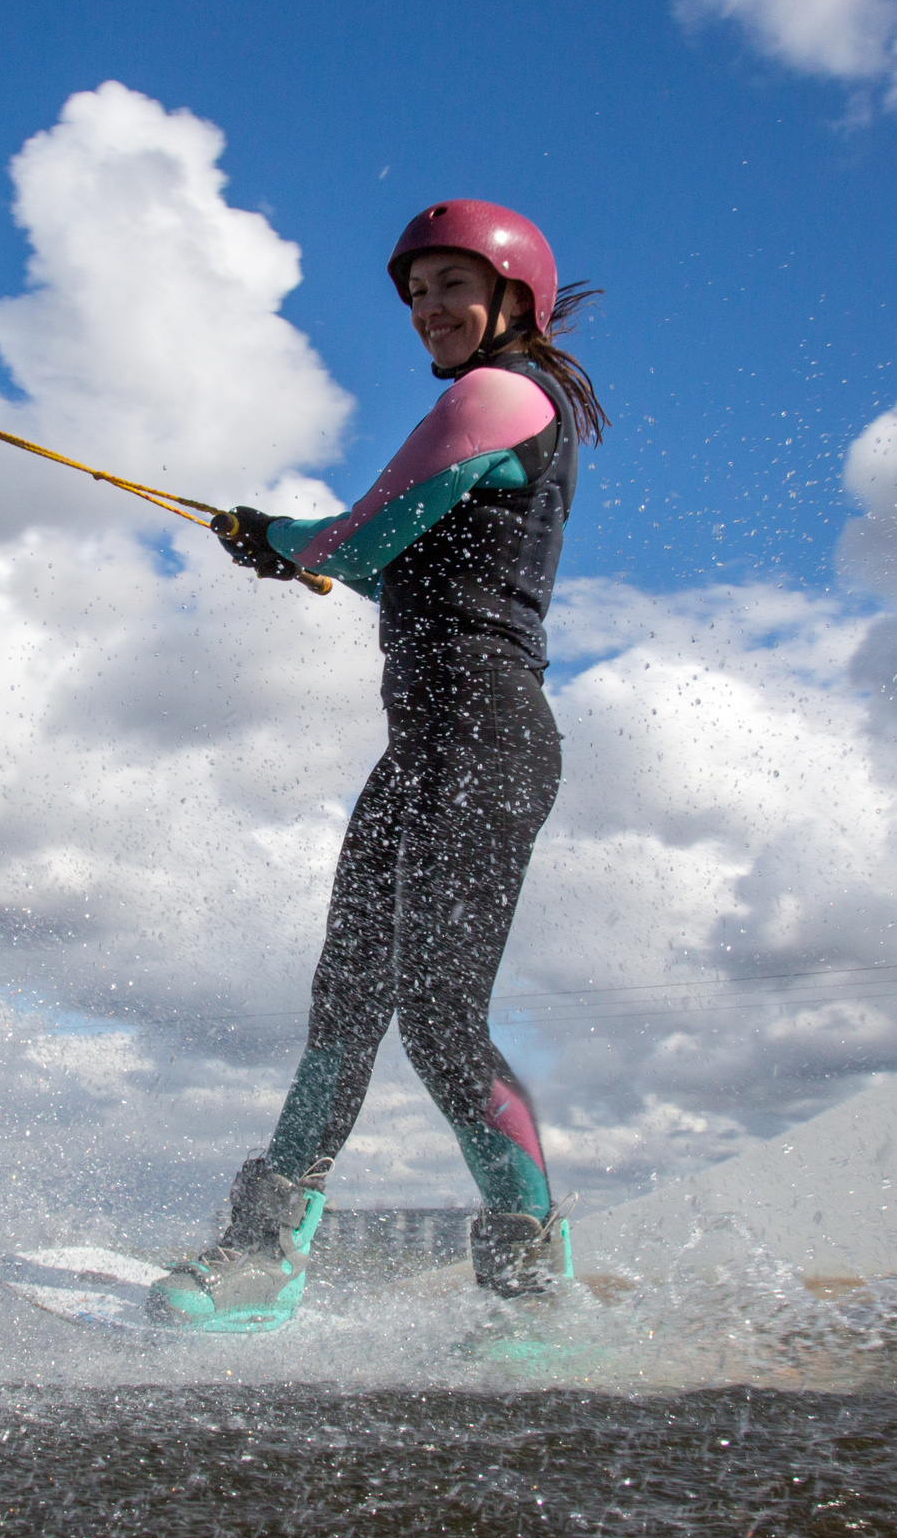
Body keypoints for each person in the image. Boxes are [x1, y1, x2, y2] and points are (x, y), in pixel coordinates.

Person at [148, 199, 607, 1333]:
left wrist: (282, 540)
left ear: (513, 299)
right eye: (414, 296)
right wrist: (285, 546)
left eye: (451, 287)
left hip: (487, 741)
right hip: (424, 750)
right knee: (344, 1009)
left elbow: (352, 541)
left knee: (443, 1023)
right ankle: (263, 1259)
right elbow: (377, 562)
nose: (429, 312)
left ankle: (531, 1295)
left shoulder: (497, 395)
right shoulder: (486, 415)